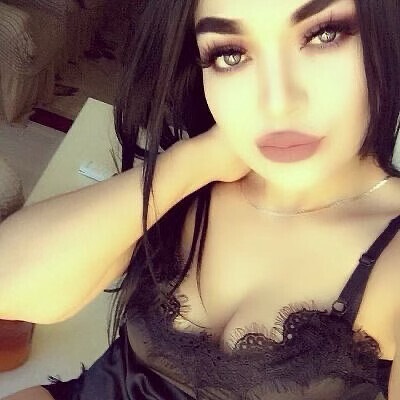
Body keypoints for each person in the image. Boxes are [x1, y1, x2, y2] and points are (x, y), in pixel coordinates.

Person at [1, 0, 400, 398]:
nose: (277, 103)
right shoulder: (196, 182)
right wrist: (195, 161)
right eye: (230, 54)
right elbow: (12, 289)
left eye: (324, 35)